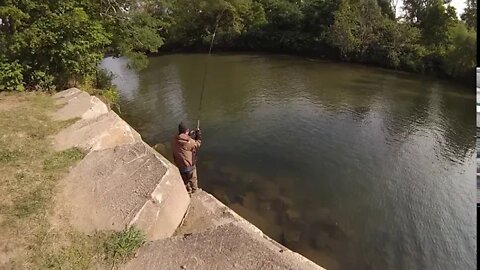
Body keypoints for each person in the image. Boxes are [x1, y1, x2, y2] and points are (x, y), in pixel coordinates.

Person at [171, 121, 202, 194]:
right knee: (193, 179)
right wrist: (198, 135)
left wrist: (189, 136)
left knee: (185, 180)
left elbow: (183, 144)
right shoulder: (189, 142)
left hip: (180, 167)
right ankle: (195, 190)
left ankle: (188, 190)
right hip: (189, 168)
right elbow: (197, 144)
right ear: (187, 131)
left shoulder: (174, 139)